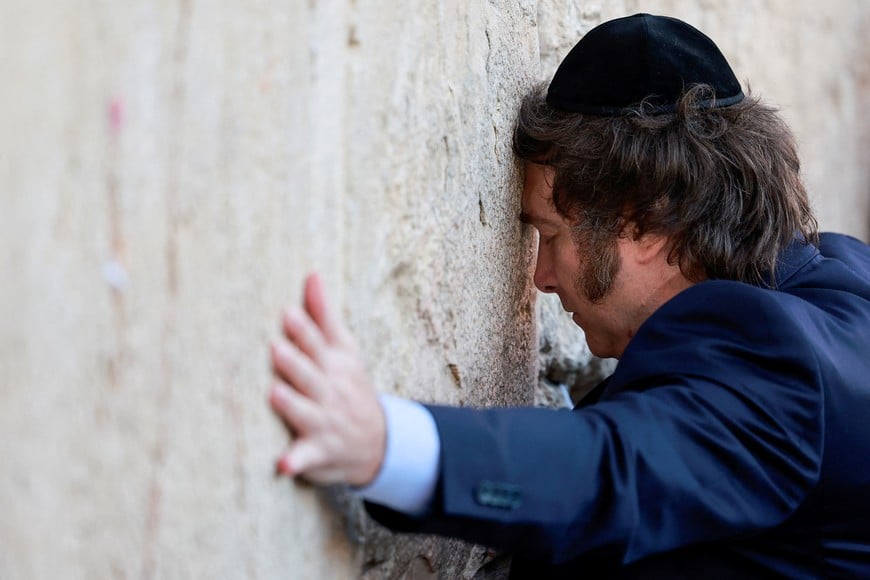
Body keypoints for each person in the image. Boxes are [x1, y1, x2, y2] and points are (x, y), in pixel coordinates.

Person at [268, 13, 870, 577]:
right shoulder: (841, 285)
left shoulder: (780, 361)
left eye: (549, 235)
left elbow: (614, 471)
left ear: (644, 222)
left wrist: (385, 442)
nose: (541, 277)